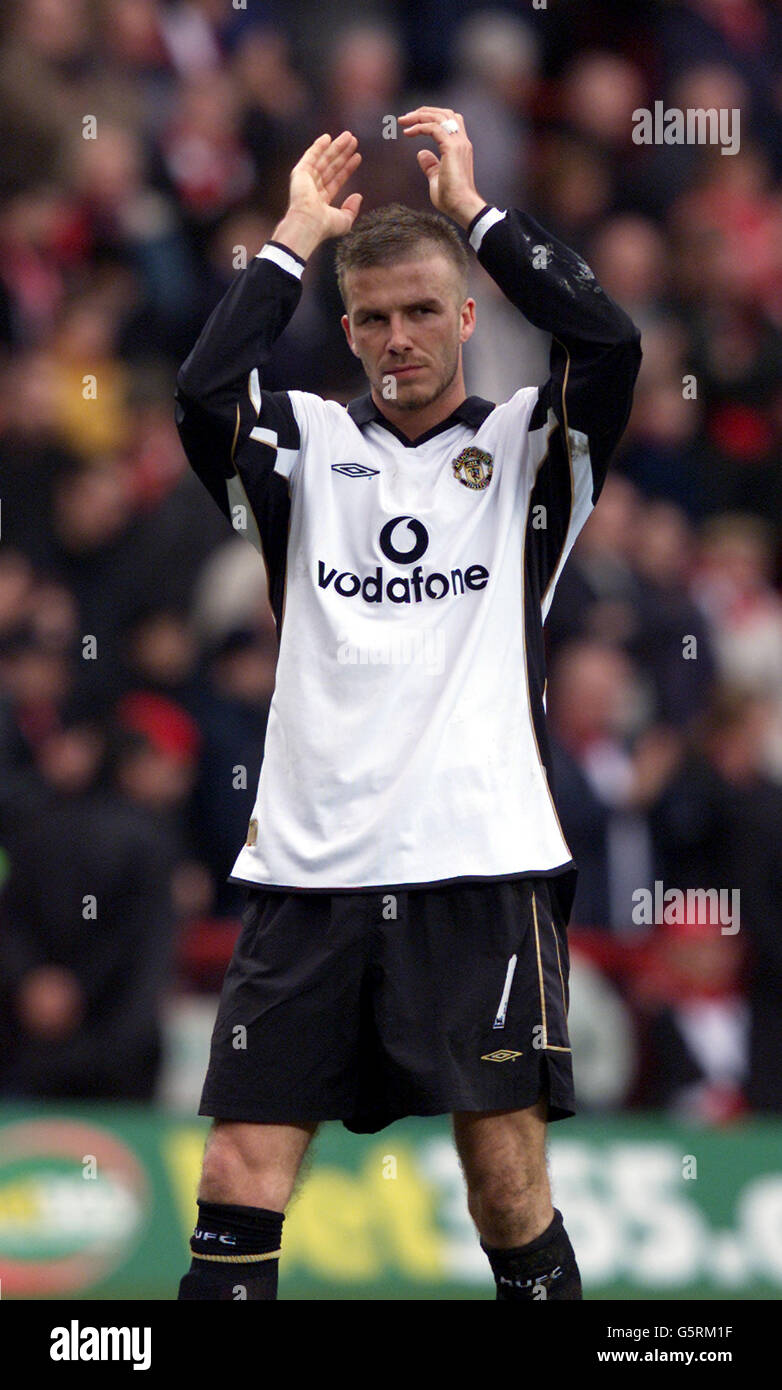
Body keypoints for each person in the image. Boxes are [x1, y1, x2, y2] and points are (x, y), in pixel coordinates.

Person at [174, 109, 641, 1301]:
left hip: (476, 867)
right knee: (233, 1171)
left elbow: (610, 340)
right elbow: (202, 391)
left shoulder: (530, 454)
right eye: (373, 317)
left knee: (503, 1187)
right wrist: (288, 239)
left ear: (468, 315)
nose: (398, 338)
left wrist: (479, 217)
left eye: (423, 309)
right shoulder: (304, 449)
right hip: (306, 875)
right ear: (346, 330)